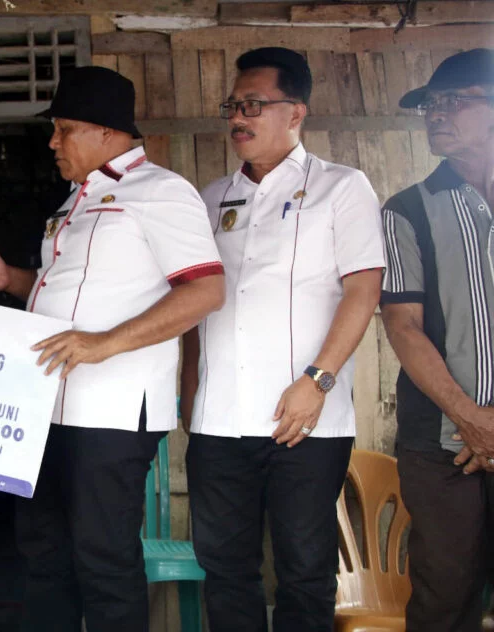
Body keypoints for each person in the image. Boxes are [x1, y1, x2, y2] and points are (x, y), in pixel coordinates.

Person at [0, 66, 225, 632]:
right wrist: (8, 279)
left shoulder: (161, 192)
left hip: (113, 412)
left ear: (105, 130)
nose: (52, 142)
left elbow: (205, 290)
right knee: (42, 553)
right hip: (46, 407)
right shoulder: (73, 201)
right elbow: (70, 298)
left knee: (103, 557)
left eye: (63, 128)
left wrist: (105, 344)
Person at [179, 47, 385, 632]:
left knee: (303, 569)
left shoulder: (342, 188)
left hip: (305, 420)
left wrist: (317, 382)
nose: (237, 118)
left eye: (253, 105)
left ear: (296, 111)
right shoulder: (210, 198)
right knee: (225, 568)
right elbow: (197, 305)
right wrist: (191, 392)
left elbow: (363, 292)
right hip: (218, 422)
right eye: (233, 106)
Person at [379, 48, 494, 630]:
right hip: (440, 445)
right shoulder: (406, 212)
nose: (435, 114)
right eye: (429, 105)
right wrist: (473, 418)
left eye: (455, 101)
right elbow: (403, 326)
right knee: (444, 600)